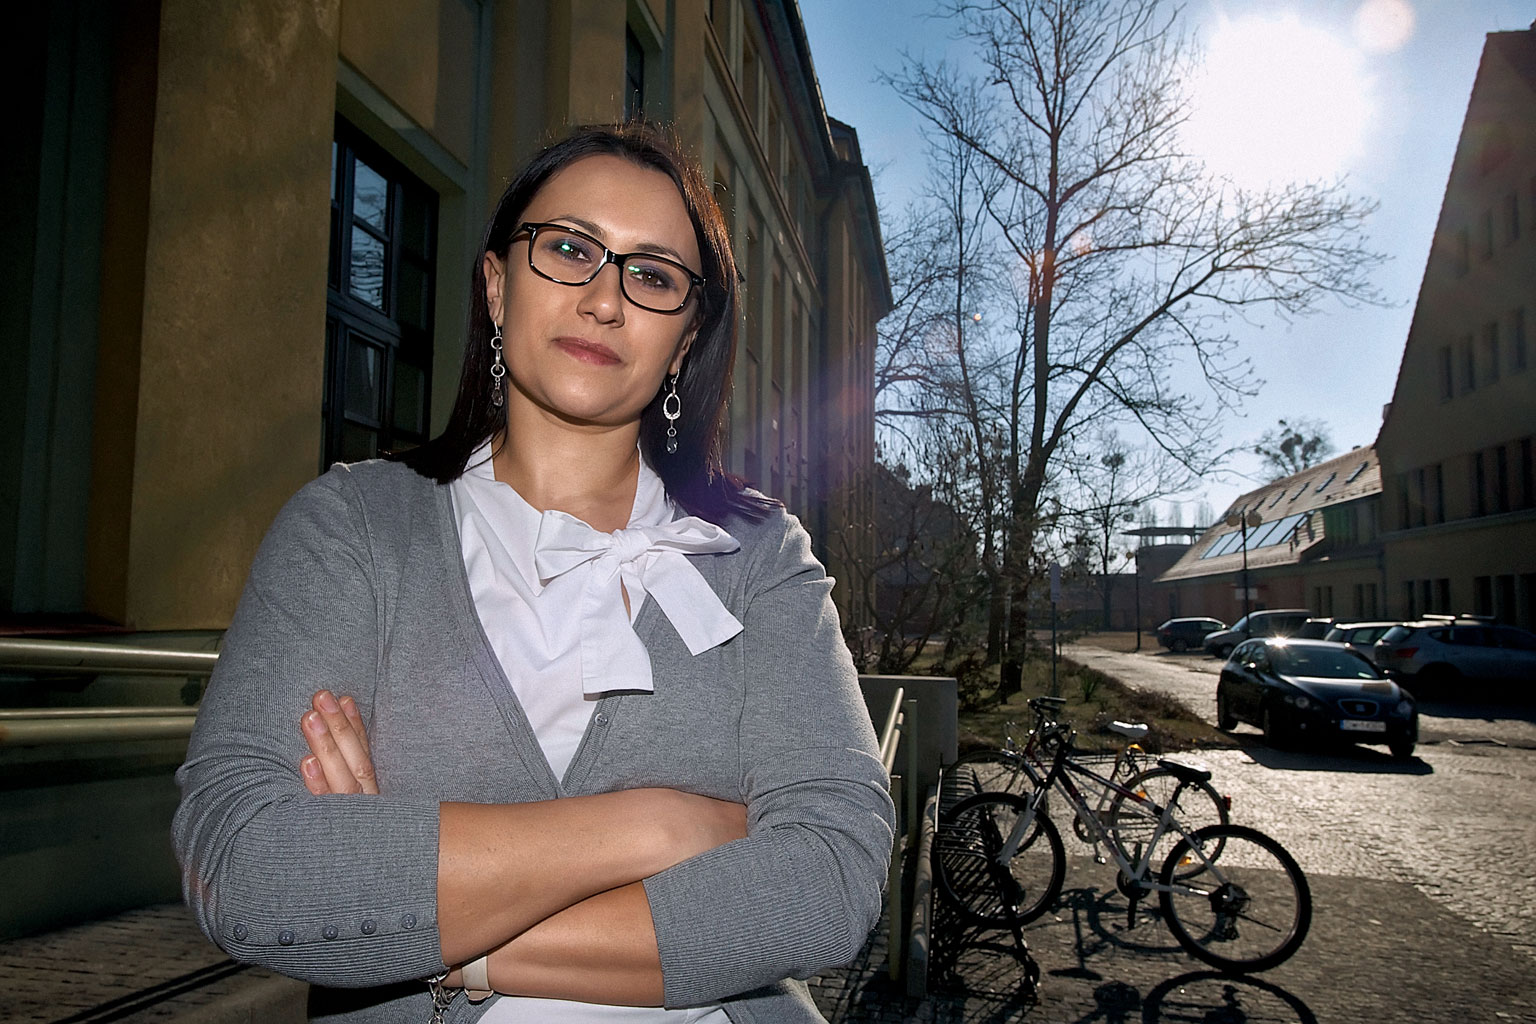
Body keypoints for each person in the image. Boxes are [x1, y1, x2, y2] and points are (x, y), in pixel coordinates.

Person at [172, 121, 895, 1024]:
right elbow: (244, 865)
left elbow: (833, 876)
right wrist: (658, 827)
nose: (604, 299)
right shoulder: (352, 528)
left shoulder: (761, 555)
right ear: (496, 284)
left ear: (684, 340)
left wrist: (427, 927)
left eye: (653, 276)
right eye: (569, 249)